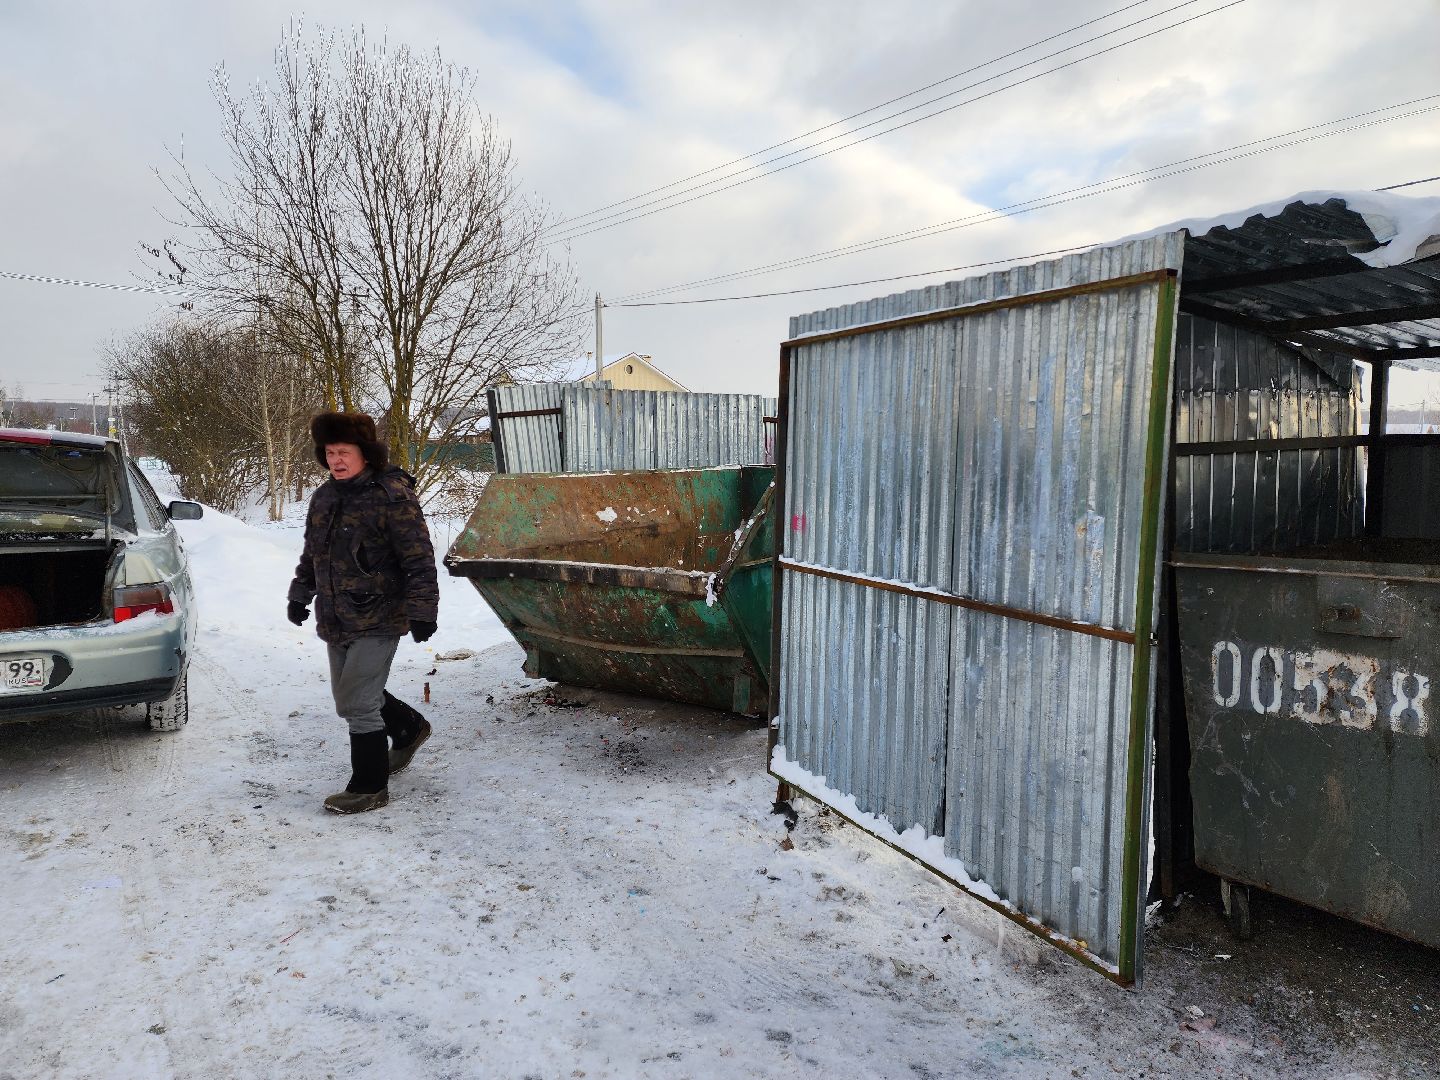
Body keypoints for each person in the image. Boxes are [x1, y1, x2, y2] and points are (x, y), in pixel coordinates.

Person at [286, 412, 439, 814]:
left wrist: (423, 611)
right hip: (337, 614)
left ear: (365, 453)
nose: (336, 460)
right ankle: (407, 729)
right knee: (349, 699)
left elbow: (419, 559)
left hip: (380, 613)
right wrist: (300, 595)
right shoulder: (325, 497)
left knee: (358, 702)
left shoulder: (392, 496)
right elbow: (313, 554)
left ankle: (369, 787)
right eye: (330, 452)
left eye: (344, 452)